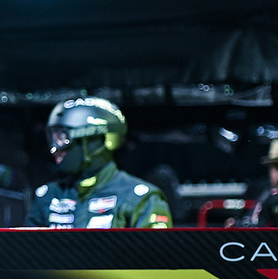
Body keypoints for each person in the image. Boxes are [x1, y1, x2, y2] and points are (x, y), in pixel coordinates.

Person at [27, 97, 172, 229]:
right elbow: (26, 252)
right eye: (52, 138)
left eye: (62, 138)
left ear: (95, 142)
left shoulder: (140, 198)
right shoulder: (48, 196)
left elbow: (155, 256)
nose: (55, 149)